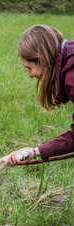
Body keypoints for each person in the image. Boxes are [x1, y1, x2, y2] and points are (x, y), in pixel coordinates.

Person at [8, 24, 74, 165]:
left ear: (42, 59)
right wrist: (37, 151)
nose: (31, 75)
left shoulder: (72, 77)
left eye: (29, 68)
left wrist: (38, 151)